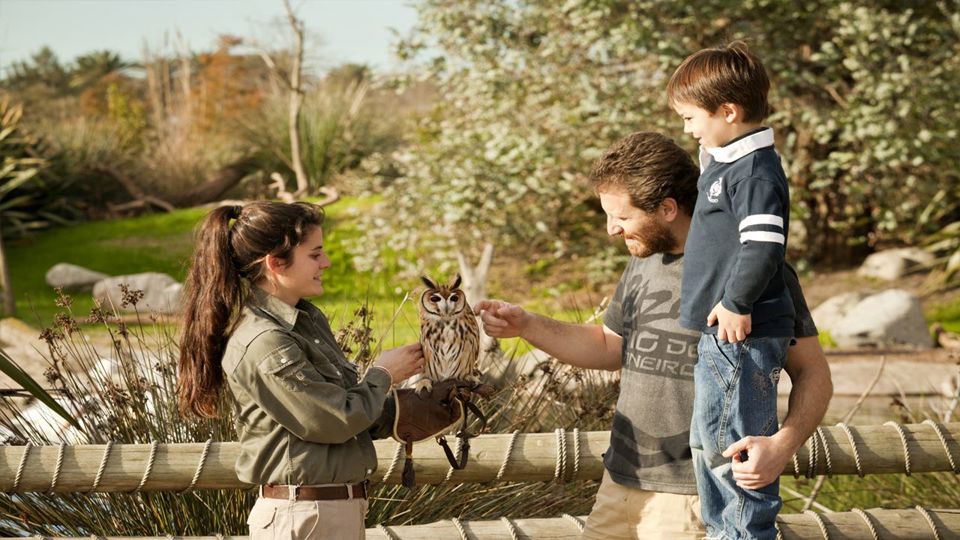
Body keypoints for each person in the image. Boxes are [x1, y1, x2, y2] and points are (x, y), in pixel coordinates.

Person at [475, 132, 831, 540]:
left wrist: (784, 445)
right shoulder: (643, 263)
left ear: (667, 208)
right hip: (619, 483)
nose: (612, 230)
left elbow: (813, 373)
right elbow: (611, 346)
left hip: (695, 497)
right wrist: (527, 325)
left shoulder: (755, 275)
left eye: (622, 218)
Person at [176, 201, 425, 540]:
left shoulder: (307, 321)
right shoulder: (265, 341)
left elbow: (347, 410)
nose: (327, 263)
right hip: (304, 518)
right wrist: (383, 372)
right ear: (275, 263)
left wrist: (423, 402)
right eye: (315, 255)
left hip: (326, 513)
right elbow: (333, 420)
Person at [668, 41, 794, 539]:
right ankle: (723, 530)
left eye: (690, 116)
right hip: (717, 335)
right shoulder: (725, 160)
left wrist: (738, 302)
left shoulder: (756, 172)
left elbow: (763, 247)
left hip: (739, 332)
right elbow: (708, 146)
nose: (686, 127)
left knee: (732, 447)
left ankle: (742, 533)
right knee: (708, 441)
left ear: (729, 111)